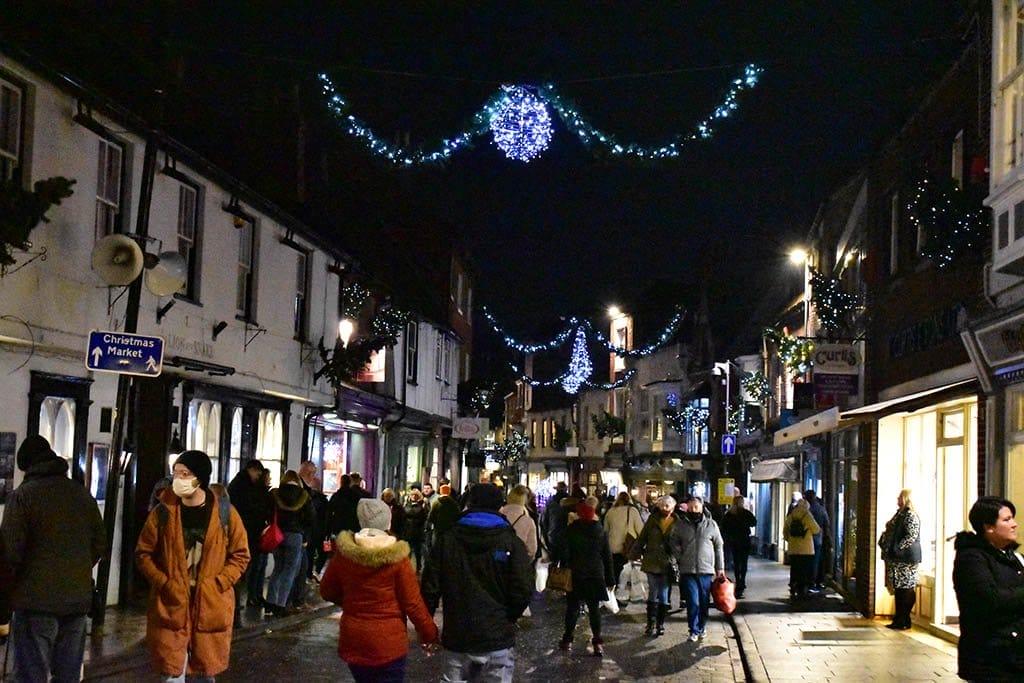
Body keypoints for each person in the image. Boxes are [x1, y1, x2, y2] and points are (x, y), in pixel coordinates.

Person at [135, 450, 250, 682]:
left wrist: (219, 583)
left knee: (205, 672)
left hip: (210, 604)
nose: (178, 479)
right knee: (171, 672)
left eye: (184, 473)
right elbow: (143, 553)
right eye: (176, 473)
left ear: (200, 478)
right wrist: (163, 583)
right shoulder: (163, 512)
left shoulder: (225, 513)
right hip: (172, 602)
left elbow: (240, 555)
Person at [1, 435, 106, 682]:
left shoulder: (23, 497)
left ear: (26, 466)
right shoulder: (80, 494)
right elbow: (100, 543)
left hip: (35, 601)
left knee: (31, 674)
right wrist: (76, 569)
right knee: (68, 674)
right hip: (78, 600)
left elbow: (9, 554)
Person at [421, 483, 533, 683]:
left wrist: (427, 627)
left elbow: (430, 586)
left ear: (469, 504)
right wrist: (508, 617)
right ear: (499, 507)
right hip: (496, 637)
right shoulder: (511, 542)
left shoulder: (448, 540)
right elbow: (523, 588)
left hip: (458, 635)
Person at [320, 497, 438, 682]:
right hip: (389, 642)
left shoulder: (344, 554)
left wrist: (352, 602)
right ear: (388, 521)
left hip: (355, 638)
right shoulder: (397, 558)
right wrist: (429, 633)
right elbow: (412, 603)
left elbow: (327, 590)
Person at [952, 496, 1024, 680]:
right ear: (988, 527)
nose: (1014, 524)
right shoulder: (972, 559)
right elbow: (988, 600)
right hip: (990, 660)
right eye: (1006, 520)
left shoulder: (1015, 558)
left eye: (1012, 518)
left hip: (1016, 659)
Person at [559, 500, 614, 656]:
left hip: (576, 574)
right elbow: (607, 557)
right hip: (595, 574)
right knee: (594, 609)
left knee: (572, 609)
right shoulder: (600, 532)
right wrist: (610, 579)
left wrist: (564, 565)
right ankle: (597, 643)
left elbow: (564, 553)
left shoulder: (571, 530)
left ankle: (567, 640)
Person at [669, 496, 726, 643]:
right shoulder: (681, 525)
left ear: (702, 508)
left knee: (704, 601)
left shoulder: (711, 525)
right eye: (691, 507)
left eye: (696, 507)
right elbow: (673, 542)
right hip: (688, 570)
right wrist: (680, 556)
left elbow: (719, 546)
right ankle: (693, 630)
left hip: (706, 570)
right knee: (693, 601)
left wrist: (720, 567)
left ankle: (702, 626)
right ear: (687, 508)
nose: (694, 510)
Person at [264, 470, 315, 617]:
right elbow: (311, 518)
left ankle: (270, 603)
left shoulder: (275, 494)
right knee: (290, 571)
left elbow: (267, 512)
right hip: (295, 535)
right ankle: (281, 604)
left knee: (278, 569)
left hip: (277, 535)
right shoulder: (304, 496)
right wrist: (305, 535)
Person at [628, 495, 677, 637]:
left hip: (667, 563)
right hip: (652, 561)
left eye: (667, 506)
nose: (664, 509)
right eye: (662, 506)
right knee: (653, 592)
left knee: (663, 595)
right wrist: (633, 554)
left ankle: (660, 624)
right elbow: (642, 537)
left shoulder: (677, 522)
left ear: (673, 508)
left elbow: (681, 543)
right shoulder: (652, 520)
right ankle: (650, 623)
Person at [877, 488, 921, 630]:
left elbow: (911, 536)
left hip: (905, 559)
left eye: (899, 497)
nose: (897, 500)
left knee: (905, 588)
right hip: (896, 558)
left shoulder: (910, 515)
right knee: (899, 588)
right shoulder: (900, 514)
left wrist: (897, 548)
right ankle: (900, 619)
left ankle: (903, 619)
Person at [227, 459, 267, 608]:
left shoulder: (240, 484)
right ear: (251, 469)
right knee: (243, 568)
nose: (258, 475)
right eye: (257, 472)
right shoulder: (244, 486)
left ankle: (239, 602)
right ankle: (236, 603)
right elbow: (248, 508)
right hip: (246, 531)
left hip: (247, 530)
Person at [603, 491, 644, 591]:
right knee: (624, 570)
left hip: (612, 546)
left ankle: (612, 590)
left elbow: (605, 530)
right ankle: (621, 591)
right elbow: (640, 530)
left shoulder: (610, 512)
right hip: (627, 546)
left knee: (614, 570)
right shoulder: (632, 511)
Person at [783, 497, 820, 599]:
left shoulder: (791, 516)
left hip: (793, 548)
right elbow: (816, 529)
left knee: (794, 568)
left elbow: (785, 531)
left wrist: (790, 540)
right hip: (806, 549)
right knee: (805, 568)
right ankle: (803, 586)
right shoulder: (807, 516)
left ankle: (793, 584)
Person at [720, 495, 756, 598]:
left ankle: (738, 579)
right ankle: (742, 581)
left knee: (736, 562)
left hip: (734, 541)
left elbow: (724, 527)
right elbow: (754, 522)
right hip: (744, 540)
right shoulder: (745, 513)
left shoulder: (729, 514)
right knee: (744, 562)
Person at [804, 489, 831, 590]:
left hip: (805, 540)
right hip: (818, 539)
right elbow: (827, 523)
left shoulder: (805, 510)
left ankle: (807, 581)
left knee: (806, 561)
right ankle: (814, 581)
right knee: (816, 561)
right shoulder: (821, 509)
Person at [402, 485, 429, 571]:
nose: (413, 497)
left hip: (417, 531)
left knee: (418, 551)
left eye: (415, 495)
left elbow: (424, 516)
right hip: (408, 531)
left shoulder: (422, 505)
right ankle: (407, 567)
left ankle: (418, 567)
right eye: (412, 495)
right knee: (408, 551)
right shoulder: (407, 504)